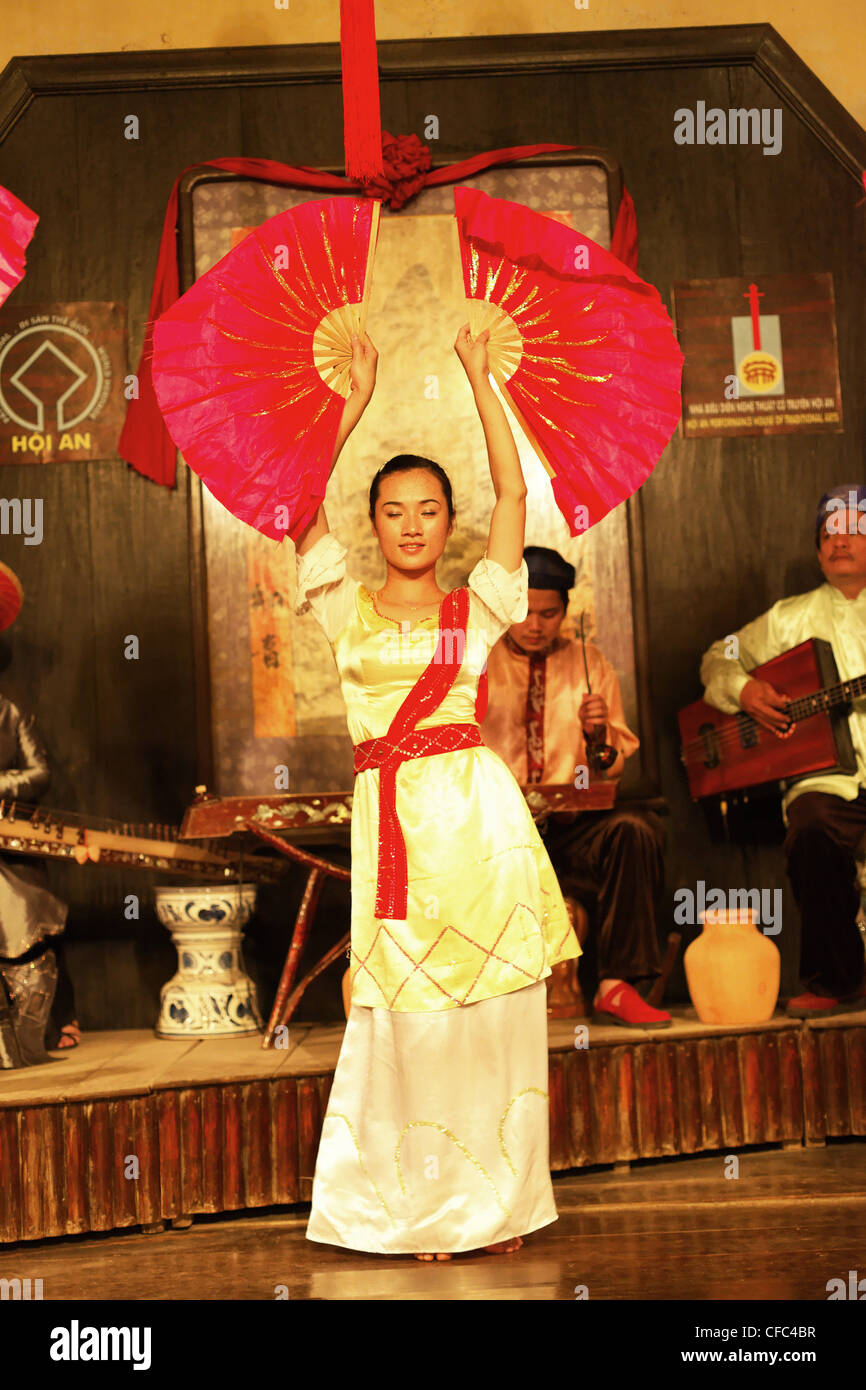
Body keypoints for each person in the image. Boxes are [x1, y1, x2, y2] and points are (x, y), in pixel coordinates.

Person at [292, 326, 580, 1261]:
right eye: (392, 510)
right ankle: (414, 1212)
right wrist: (357, 396)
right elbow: (299, 503)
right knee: (408, 1022)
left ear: (447, 522)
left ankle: (493, 1209)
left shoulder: (481, 603)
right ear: (371, 522)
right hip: (393, 836)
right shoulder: (343, 603)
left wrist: (478, 378)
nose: (411, 524)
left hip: (477, 826)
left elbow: (515, 493)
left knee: (491, 1020)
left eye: (427, 509)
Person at [481, 546, 670, 1028]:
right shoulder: (478, 660)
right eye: (524, 611)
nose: (536, 624)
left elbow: (608, 772)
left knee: (634, 830)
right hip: (499, 831)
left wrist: (598, 735)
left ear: (565, 611)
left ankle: (617, 985)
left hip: (571, 827)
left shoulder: (589, 661)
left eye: (550, 613)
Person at [699, 484, 866, 1017]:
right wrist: (743, 689)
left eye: (852, 530)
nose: (838, 543)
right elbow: (717, 656)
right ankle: (835, 980)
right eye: (828, 534)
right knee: (812, 828)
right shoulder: (787, 617)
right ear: (818, 551)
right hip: (826, 782)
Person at [0, 691, 70, 1066]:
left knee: (26, 910)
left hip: (9, 845)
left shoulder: (9, 712)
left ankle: (18, 1045)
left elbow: (39, 773)